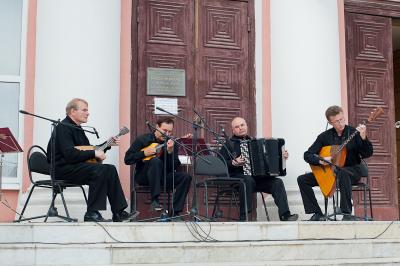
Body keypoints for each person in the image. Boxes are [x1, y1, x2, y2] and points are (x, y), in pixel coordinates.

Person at [47, 98, 134, 222]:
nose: (88, 113)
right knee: (100, 170)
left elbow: (87, 150)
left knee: (109, 168)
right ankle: (92, 213)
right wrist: (94, 152)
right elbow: (71, 154)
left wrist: (107, 144)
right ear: (72, 111)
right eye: (84, 110)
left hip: (75, 166)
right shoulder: (63, 127)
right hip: (62, 168)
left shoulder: (77, 128)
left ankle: (118, 212)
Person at [297, 105, 373, 221]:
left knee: (342, 172)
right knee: (302, 179)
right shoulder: (324, 137)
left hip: (352, 171)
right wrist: (320, 160)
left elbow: (367, 153)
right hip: (331, 173)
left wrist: (363, 138)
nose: (341, 123)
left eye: (342, 119)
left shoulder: (354, 133)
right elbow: (307, 155)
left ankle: (347, 214)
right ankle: (317, 213)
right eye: (337, 121)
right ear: (330, 122)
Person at [219, 117, 298, 221]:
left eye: (242, 125)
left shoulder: (254, 142)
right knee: (247, 179)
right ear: (233, 130)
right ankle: (244, 217)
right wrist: (233, 163)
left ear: (246, 126)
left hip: (257, 180)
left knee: (277, 182)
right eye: (237, 127)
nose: (240, 128)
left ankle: (285, 215)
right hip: (237, 179)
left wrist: (281, 157)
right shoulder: (229, 144)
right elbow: (220, 163)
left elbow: (269, 159)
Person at [124, 117, 192, 217]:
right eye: (164, 131)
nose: (167, 134)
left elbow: (175, 166)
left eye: (169, 131)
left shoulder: (171, 143)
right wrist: (143, 153)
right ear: (157, 127)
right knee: (155, 161)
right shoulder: (142, 139)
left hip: (163, 176)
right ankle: (155, 200)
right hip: (145, 176)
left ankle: (176, 212)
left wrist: (170, 152)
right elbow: (127, 159)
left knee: (186, 177)